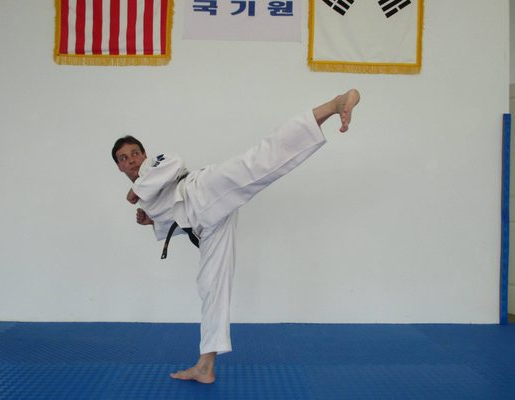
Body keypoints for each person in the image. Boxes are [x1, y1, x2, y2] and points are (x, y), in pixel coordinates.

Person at [112, 89, 360, 384]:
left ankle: (333, 105)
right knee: (210, 285)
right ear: (118, 166)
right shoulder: (146, 198)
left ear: (145, 154)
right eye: (123, 158)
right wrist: (153, 219)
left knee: (257, 162)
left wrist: (138, 192)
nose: (131, 161)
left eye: (135, 153)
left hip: (204, 188)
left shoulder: (157, 164)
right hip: (209, 222)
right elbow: (180, 215)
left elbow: (174, 167)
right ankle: (206, 365)